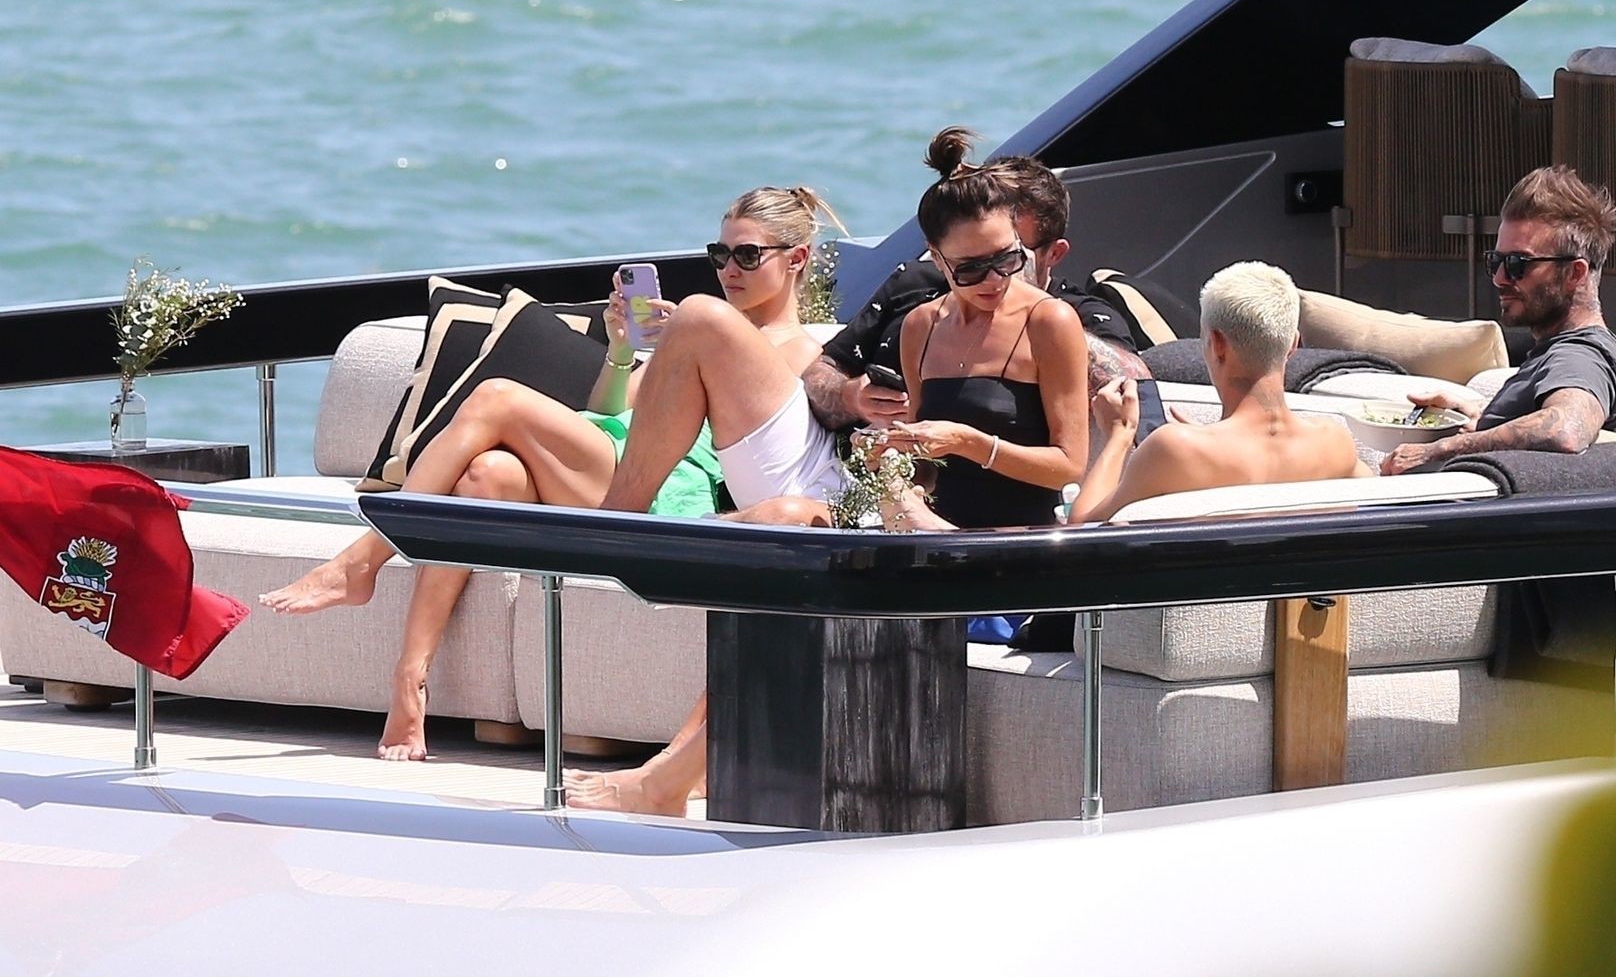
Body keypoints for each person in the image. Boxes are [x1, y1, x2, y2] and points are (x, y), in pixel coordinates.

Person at [565, 129, 1092, 816]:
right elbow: (917, 456)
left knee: (811, 566)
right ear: (937, 260)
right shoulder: (920, 327)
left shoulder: (1051, 322)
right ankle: (676, 770)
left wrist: (970, 442)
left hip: (1000, 557)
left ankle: (666, 779)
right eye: (971, 269)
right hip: (918, 535)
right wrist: (892, 465)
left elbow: (1068, 464)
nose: (995, 281)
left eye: (1007, 259)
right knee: (790, 536)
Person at [257, 185, 841, 760]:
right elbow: (612, 410)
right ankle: (411, 680)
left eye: (747, 255)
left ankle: (361, 560)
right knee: (489, 475)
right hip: (614, 463)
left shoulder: (801, 353)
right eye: (720, 254)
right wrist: (621, 349)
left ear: (796, 260)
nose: (729, 270)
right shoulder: (698, 336)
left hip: (663, 493)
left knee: (496, 397)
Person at [801, 152, 1159, 436]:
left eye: (1006, 254)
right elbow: (821, 370)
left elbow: (1137, 395)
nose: (989, 274)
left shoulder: (1077, 313)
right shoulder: (914, 287)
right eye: (969, 260)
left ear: (1053, 254)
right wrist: (852, 397)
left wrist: (1031, 307)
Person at [1379, 165, 1616, 475]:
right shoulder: (1588, 353)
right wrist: (1474, 417)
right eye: (1496, 261)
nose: (1500, 278)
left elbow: (1566, 429)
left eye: (1519, 263)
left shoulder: (1579, 357)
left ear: (1575, 273)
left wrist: (1436, 449)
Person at [1067, 261, 1369, 525]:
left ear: (1217, 344)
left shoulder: (1175, 450)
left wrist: (1119, 434)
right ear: (1293, 345)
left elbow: (1083, 528)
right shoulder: (1334, 441)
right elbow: (1381, 495)